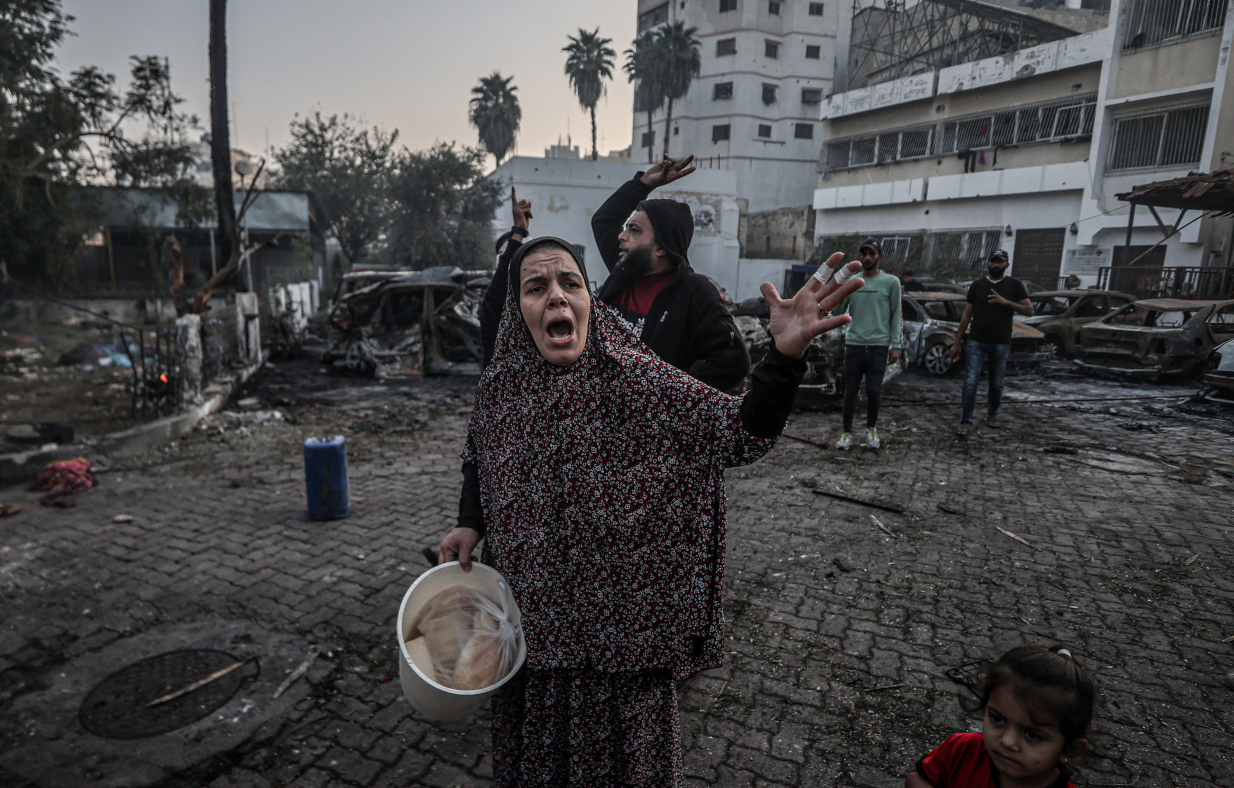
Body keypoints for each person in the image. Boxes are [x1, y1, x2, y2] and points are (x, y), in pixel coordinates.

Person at [435, 239, 865, 787]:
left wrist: (782, 358)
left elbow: (739, 435)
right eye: (536, 287)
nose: (556, 298)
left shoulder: (635, 379)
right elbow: (480, 451)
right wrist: (470, 520)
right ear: (518, 310)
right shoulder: (502, 384)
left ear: (591, 297)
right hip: (532, 632)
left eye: (570, 283)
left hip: (622, 643)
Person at [590, 153, 750, 392]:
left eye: (634, 230)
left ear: (661, 248)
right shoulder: (624, 273)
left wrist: (668, 391)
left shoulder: (694, 292)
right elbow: (603, 220)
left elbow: (733, 361)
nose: (622, 237)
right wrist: (643, 184)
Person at [906, 645, 1095, 788]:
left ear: (1070, 749)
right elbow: (916, 779)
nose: (1006, 741)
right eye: (998, 719)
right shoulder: (962, 750)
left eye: (1032, 734)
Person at [951, 250, 1033, 436]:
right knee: (970, 382)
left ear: (1007, 265)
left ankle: (993, 413)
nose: (996, 265)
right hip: (976, 341)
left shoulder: (1014, 285)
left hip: (1001, 341)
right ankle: (965, 421)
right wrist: (957, 342)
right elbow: (967, 314)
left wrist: (1006, 302)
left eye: (1000, 262)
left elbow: (1029, 311)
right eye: (993, 261)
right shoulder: (978, 285)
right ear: (987, 264)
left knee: (996, 382)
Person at [835, 238, 902, 450]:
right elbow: (837, 310)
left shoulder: (891, 282)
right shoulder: (853, 282)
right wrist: (834, 292)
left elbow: (896, 314)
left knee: (874, 391)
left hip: (878, 347)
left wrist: (896, 344)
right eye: (863, 254)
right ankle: (846, 433)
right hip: (854, 345)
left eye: (871, 254)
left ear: (880, 257)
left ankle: (871, 429)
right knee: (850, 391)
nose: (866, 257)